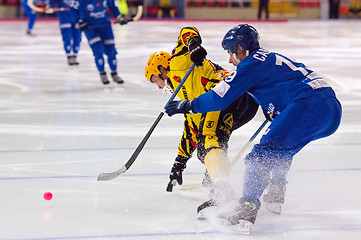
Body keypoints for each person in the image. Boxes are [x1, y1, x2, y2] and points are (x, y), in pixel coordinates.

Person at [165, 24, 342, 233]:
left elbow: (218, 97)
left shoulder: (250, 64)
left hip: (309, 103)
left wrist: (188, 105)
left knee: (260, 155)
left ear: (241, 49)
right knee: (280, 148)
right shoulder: (267, 57)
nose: (230, 60)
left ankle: (247, 207)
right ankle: (276, 191)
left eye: (230, 53)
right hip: (329, 107)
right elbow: (288, 81)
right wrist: (279, 107)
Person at [144, 27, 260, 218]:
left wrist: (193, 45)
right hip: (242, 104)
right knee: (210, 146)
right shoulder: (182, 93)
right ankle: (218, 183)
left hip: (228, 96)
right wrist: (179, 164)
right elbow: (192, 130)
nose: (158, 86)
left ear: (162, 68)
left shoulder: (179, 63)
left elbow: (186, 32)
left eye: (155, 79)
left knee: (208, 143)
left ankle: (223, 194)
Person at [76, 0, 131, 85]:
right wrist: (79, 21)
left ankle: (114, 73)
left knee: (111, 51)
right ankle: (102, 73)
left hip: (105, 26)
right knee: (98, 51)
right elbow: (74, 9)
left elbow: (112, 5)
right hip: (90, 28)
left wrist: (119, 16)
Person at [46, 0, 82, 65]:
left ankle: (75, 55)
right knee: (67, 37)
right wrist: (50, 7)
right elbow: (52, 2)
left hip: (77, 16)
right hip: (64, 17)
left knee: (77, 37)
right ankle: (69, 56)